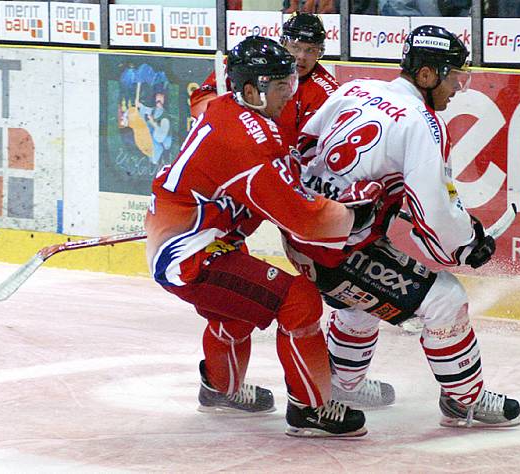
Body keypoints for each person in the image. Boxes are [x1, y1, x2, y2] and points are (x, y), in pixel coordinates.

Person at [282, 25, 520, 427]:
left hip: (305, 236)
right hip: (338, 247)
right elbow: (435, 208)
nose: (456, 88)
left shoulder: (354, 88)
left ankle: (343, 384)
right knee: (445, 298)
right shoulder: (422, 123)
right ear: (426, 75)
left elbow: (301, 146)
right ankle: (465, 400)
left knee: (361, 302)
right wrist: (466, 244)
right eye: (453, 77)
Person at [146, 35, 381, 438]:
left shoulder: (230, 109)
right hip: (192, 253)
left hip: (192, 240)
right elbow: (302, 219)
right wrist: (354, 212)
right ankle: (311, 408)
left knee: (236, 312)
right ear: (252, 89)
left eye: (290, 83)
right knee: (299, 301)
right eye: (279, 86)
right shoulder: (245, 140)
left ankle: (220, 388)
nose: (289, 94)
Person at [190, 13, 340, 148]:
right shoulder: (251, 60)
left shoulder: (327, 92)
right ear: (283, 43)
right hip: (235, 149)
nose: (301, 56)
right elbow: (200, 101)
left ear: (320, 52)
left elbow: (312, 148)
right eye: (295, 47)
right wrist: (225, 115)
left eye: (310, 50)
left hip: (278, 161)